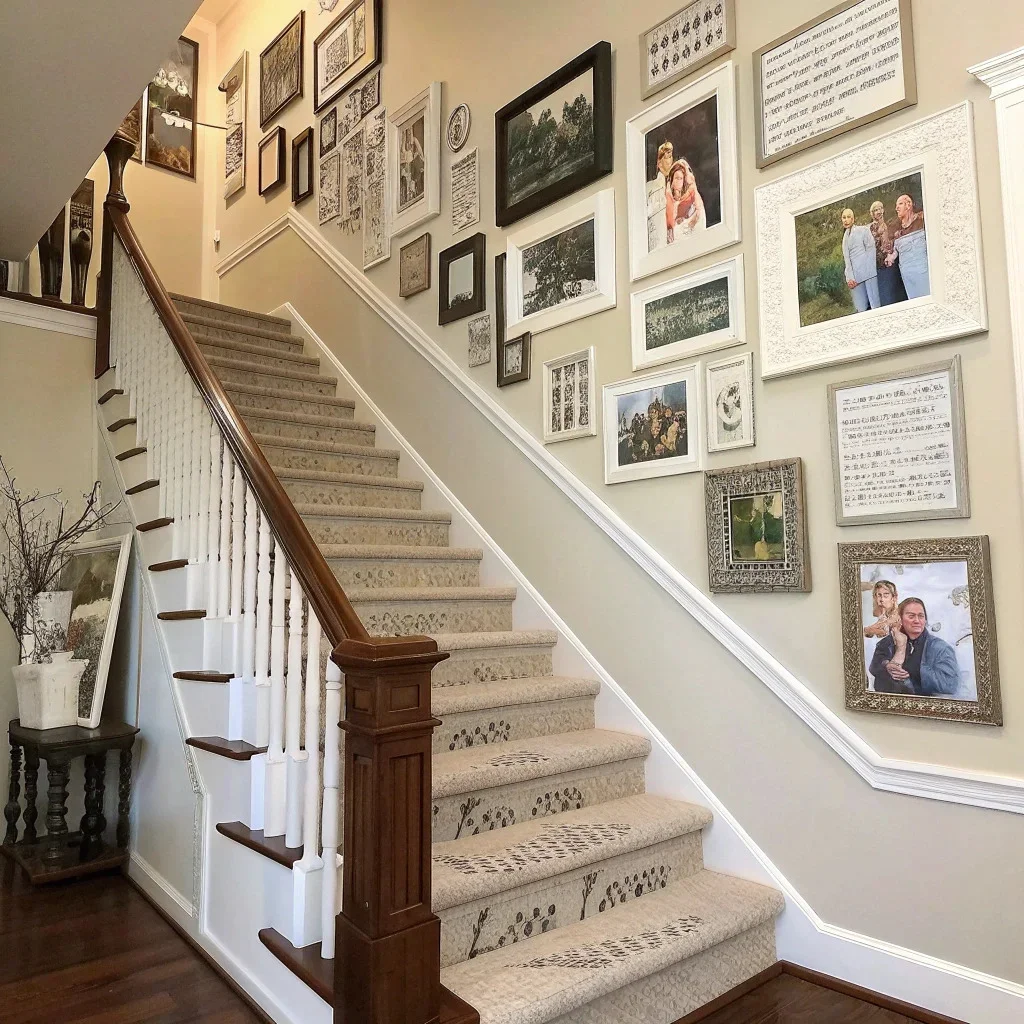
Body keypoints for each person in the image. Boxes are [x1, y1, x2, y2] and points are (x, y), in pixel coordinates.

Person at [869, 597, 960, 696]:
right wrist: (886, 665)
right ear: (900, 619)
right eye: (911, 616)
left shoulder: (941, 648)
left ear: (925, 620)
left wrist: (913, 668)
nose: (917, 620)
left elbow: (950, 684)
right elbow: (874, 667)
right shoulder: (887, 642)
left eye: (921, 616)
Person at [885, 194, 929, 299]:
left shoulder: (922, 219)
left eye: (900, 204)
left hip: (924, 272)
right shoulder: (896, 229)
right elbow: (895, 250)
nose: (896, 208)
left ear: (908, 205)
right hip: (908, 276)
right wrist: (890, 257)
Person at [841, 208, 880, 313]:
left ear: (853, 219)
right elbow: (847, 259)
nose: (846, 220)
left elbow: (871, 249)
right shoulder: (845, 238)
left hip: (868, 273)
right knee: (861, 308)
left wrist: (869, 271)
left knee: (875, 305)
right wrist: (849, 277)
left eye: (848, 217)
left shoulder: (863, 230)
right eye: (844, 217)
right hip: (855, 277)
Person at [868, 201, 907, 306]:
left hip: (893, 261)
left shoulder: (887, 224)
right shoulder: (872, 227)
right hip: (882, 265)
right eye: (876, 210)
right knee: (888, 296)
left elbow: (890, 242)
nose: (879, 212)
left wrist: (895, 237)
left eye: (880, 209)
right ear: (872, 213)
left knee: (898, 293)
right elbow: (874, 247)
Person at [665, 159, 705, 243]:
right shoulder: (668, 196)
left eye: (681, 178)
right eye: (676, 178)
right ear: (672, 180)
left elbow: (698, 213)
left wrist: (688, 222)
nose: (679, 181)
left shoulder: (690, 194)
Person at [646, 142, 675, 251]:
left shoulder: (676, 186)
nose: (670, 160)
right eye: (667, 157)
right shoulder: (649, 187)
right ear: (659, 162)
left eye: (671, 156)